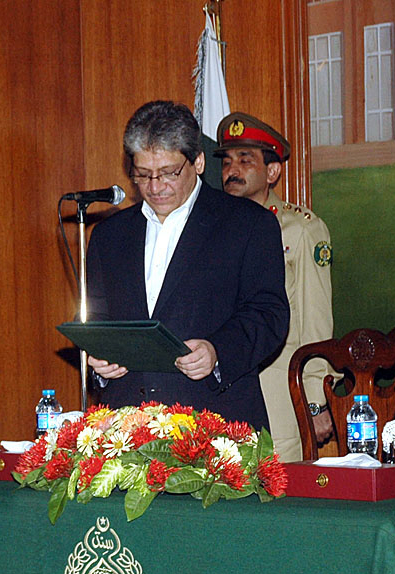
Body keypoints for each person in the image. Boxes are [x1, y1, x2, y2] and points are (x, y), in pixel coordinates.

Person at [85, 100, 289, 428]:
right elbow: (98, 319)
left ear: (197, 161)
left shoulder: (249, 224)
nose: (155, 187)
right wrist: (100, 360)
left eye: (167, 173)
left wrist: (217, 351)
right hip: (125, 430)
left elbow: (268, 314)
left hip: (215, 426)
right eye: (143, 175)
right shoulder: (109, 235)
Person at [214, 110, 335, 460]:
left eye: (245, 160)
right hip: (219, 392)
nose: (232, 171)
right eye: (227, 162)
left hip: (278, 394)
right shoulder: (213, 232)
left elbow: (315, 322)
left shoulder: (299, 230)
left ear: (272, 171)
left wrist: (314, 400)